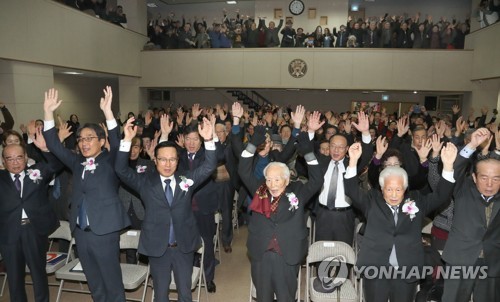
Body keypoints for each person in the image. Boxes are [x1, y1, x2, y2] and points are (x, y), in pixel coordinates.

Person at [115, 117, 217, 302]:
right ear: (155, 160)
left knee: (185, 294)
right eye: (163, 159)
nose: (168, 164)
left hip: (183, 247)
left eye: (172, 160)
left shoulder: (186, 180)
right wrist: (126, 141)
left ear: (178, 161)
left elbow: (209, 166)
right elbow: (121, 170)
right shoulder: (145, 183)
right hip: (157, 247)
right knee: (160, 294)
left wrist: (209, 141)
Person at [42, 87, 130, 302]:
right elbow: (53, 145)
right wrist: (47, 113)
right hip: (80, 231)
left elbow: (117, 143)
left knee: (111, 281)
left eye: (90, 138)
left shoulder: (110, 160)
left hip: (105, 231)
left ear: (101, 141)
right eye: (81, 139)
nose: (84, 142)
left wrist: (108, 113)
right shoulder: (76, 162)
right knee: (94, 281)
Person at [344, 141, 459, 302]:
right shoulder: (371, 201)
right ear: (382, 188)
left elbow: (441, 195)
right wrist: (353, 162)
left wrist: (447, 166)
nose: (393, 194)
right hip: (376, 269)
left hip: (407, 269)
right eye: (389, 189)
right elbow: (350, 190)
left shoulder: (417, 201)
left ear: (404, 189)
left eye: (398, 189)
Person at [238, 127, 323, 302]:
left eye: (276, 180)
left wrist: (308, 154)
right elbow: (243, 171)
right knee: (263, 297)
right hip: (261, 253)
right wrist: (252, 145)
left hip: (287, 253)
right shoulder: (259, 190)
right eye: (268, 179)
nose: (272, 184)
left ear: (286, 179)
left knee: (286, 297)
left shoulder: (298, 192)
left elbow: (317, 181)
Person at [0, 134, 61, 302]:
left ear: (26, 158)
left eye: (19, 157)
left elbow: (56, 164)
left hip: (34, 230)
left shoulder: (37, 171)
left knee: (38, 273)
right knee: (14, 276)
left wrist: (45, 149)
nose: (15, 162)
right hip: (8, 234)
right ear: (3, 161)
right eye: (9, 159)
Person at [442, 128, 500, 302]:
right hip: (460, 259)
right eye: (484, 178)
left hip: (492, 262)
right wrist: (472, 144)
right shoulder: (463, 189)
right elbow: (455, 169)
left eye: (496, 179)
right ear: (474, 178)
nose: (489, 184)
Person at [310, 111, 373, 246]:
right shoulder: (322, 162)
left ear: (347, 149)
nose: (336, 150)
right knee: (322, 252)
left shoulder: (352, 164)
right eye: (333, 146)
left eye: (340, 147)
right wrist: (310, 130)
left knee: (342, 254)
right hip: (323, 213)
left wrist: (366, 133)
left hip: (344, 216)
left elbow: (367, 154)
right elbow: (307, 151)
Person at [118, 137, 154, 264]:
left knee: (145, 245)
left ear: (141, 149)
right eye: (130, 147)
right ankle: (131, 272)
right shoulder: (120, 164)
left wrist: (153, 158)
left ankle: (146, 273)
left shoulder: (148, 164)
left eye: (136, 147)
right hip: (124, 209)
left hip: (142, 209)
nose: (132, 151)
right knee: (129, 247)